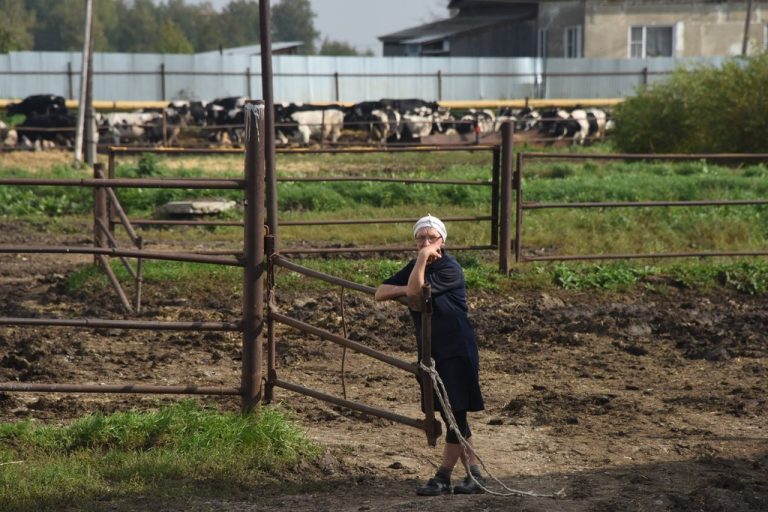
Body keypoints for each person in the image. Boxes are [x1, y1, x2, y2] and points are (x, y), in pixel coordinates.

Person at [375, 214, 486, 496]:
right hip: (432, 353)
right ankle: (474, 475)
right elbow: (380, 291)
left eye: (431, 238)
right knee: (453, 415)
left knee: (454, 414)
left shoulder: (450, 268)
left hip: (455, 349)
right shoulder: (415, 267)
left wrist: (422, 261)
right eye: (420, 239)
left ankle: (443, 477)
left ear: (443, 241)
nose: (425, 243)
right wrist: (410, 279)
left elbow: (415, 294)